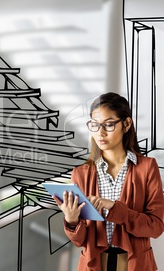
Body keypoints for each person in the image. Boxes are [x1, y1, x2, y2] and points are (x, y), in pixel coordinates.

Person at [53, 92, 164, 271]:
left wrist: (114, 208)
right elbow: (80, 241)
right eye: (94, 125)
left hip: (135, 263)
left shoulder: (147, 168)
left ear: (126, 124)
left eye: (109, 125)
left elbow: (155, 227)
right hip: (95, 264)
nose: (100, 133)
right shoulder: (81, 174)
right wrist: (71, 220)